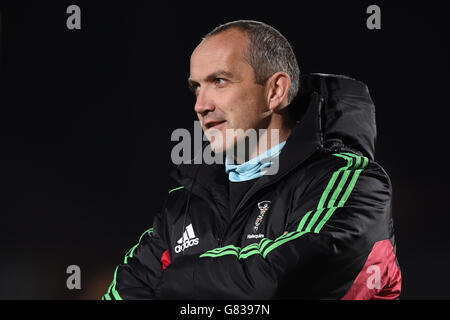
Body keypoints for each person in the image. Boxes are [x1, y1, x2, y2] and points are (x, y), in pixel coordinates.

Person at [102, 20, 401, 300]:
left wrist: (178, 278)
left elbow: (278, 280)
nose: (200, 105)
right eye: (196, 87)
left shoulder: (351, 180)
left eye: (219, 81)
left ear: (275, 91)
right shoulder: (183, 206)